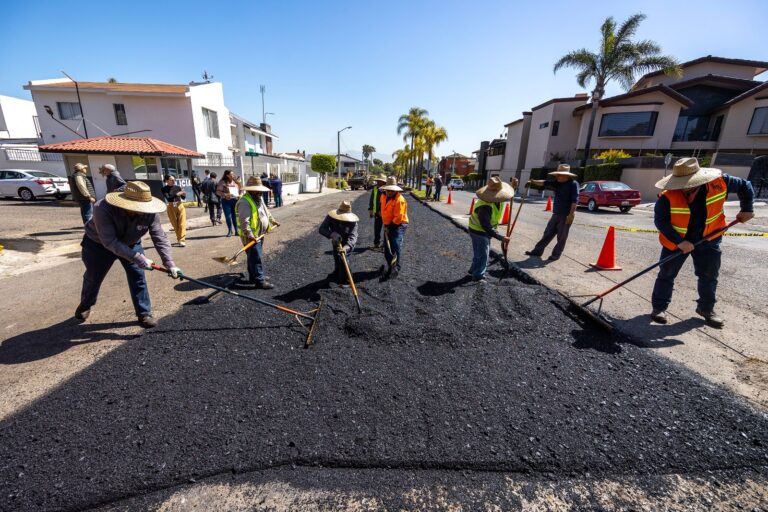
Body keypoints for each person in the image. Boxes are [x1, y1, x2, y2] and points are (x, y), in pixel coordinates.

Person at [650, 157, 754, 327]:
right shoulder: (666, 197)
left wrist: (747, 208)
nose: (684, 187)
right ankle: (658, 308)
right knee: (666, 274)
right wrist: (680, 242)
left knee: (709, 276)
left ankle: (706, 309)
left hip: (709, 238)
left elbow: (745, 186)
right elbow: (661, 222)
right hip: (677, 242)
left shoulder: (720, 183)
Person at [75, 181, 181, 328]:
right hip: (98, 245)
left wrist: (170, 263)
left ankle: (144, 313)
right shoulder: (103, 208)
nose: (141, 211)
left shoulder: (150, 213)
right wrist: (138, 257)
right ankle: (86, 304)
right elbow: (110, 241)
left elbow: (159, 237)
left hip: (131, 243)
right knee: (94, 277)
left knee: (138, 276)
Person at [524, 164, 579, 261]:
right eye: (557, 175)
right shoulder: (558, 182)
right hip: (556, 214)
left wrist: (571, 214)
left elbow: (574, 201)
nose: (557, 176)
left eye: (559, 175)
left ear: (567, 176)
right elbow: (545, 183)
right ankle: (537, 251)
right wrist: (533, 182)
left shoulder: (573, 184)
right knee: (547, 233)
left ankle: (555, 255)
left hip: (565, 215)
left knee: (561, 237)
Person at [467, 177, 518, 282]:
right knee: (483, 255)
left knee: (480, 252)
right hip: (478, 231)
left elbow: (509, 196)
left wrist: (513, 187)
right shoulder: (485, 206)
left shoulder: (498, 198)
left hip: (484, 230)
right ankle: (478, 276)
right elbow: (486, 226)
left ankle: (473, 270)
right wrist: (500, 237)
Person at [236, 176, 279, 289]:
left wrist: (272, 220)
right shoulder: (244, 202)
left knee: (252, 257)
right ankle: (259, 280)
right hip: (250, 236)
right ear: (251, 189)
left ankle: (253, 276)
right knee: (256, 257)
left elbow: (266, 211)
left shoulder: (259, 198)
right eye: (257, 189)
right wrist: (250, 235)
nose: (260, 191)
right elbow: (244, 222)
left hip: (259, 234)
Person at [319, 201, 359, 285]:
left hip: (347, 242)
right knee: (336, 256)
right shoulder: (331, 217)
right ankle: (336, 272)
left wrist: (346, 247)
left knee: (343, 259)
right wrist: (332, 234)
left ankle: (346, 280)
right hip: (336, 240)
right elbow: (322, 229)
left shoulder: (353, 222)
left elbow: (353, 237)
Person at [379, 176, 409, 277]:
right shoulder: (383, 196)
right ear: (385, 189)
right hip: (388, 224)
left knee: (395, 245)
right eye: (388, 190)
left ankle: (396, 267)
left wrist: (389, 227)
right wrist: (385, 223)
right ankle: (390, 265)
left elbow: (398, 218)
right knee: (387, 246)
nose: (389, 192)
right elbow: (383, 209)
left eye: (392, 191)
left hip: (399, 224)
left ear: (395, 190)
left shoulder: (400, 200)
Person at [161, 175, 187, 247]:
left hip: (180, 205)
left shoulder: (178, 187)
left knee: (182, 223)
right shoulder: (164, 189)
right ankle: (179, 239)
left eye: (174, 179)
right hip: (171, 206)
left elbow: (183, 197)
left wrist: (184, 193)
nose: (173, 181)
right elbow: (169, 198)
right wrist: (177, 194)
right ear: (166, 181)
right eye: (171, 180)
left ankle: (182, 240)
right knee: (175, 225)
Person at [216, 170, 241, 236]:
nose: (233, 175)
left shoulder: (235, 182)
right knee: (228, 216)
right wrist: (225, 195)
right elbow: (218, 191)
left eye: (233, 174)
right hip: (226, 201)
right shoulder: (222, 182)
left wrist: (239, 193)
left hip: (235, 201)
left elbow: (239, 192)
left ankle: (236, 230)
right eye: (231, 174)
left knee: (235, 216)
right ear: (227, 175)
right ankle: (230, 230)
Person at [367, 175, 387, 250]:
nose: (378, 182)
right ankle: (376, 243)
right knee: (377, 229)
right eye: (378, 181)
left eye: (380, 181)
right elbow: (372, 199)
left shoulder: (387, 190)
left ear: (384, 182)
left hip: (385, 213)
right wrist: (371, 209)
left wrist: (381, 211)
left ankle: (386, 244)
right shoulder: (375, 188)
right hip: (377, 213)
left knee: (386, 229)